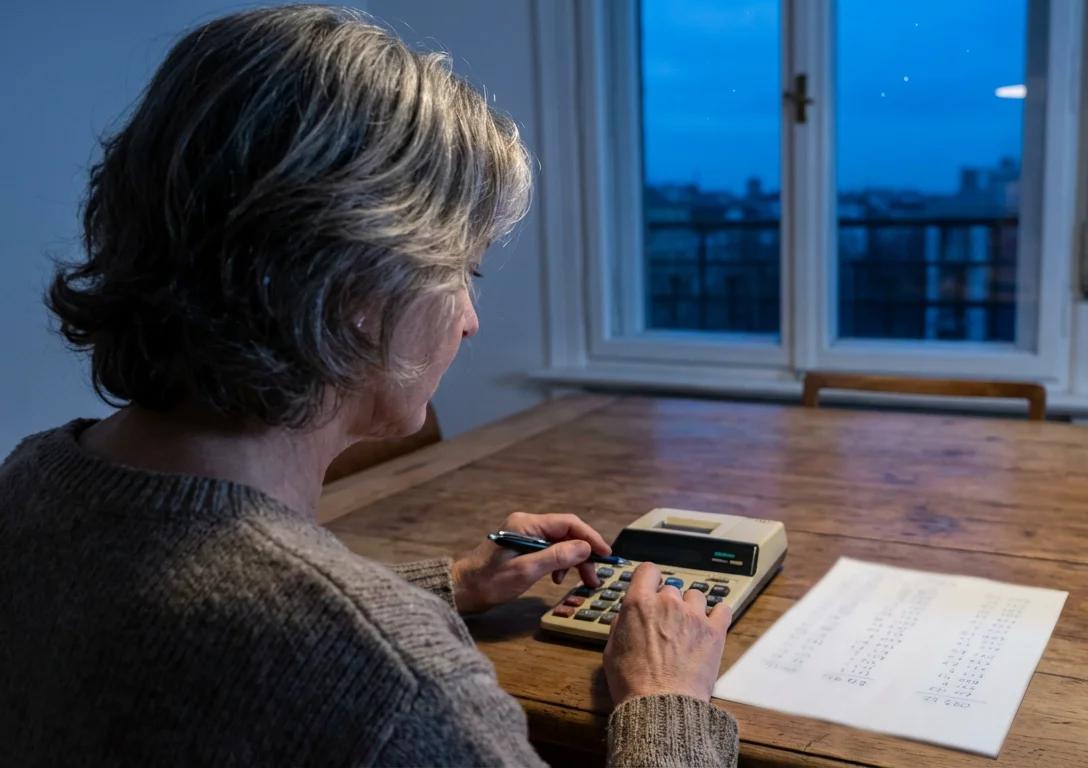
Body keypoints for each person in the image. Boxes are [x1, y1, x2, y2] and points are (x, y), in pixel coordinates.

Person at [0, 5, 738, 766]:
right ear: (358, 292)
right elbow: (318, 646)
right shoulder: (406, 689)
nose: (470, 320)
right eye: (460, 272)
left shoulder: (29, 483)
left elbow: (228, 622)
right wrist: (667, 704)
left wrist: (446, 583)